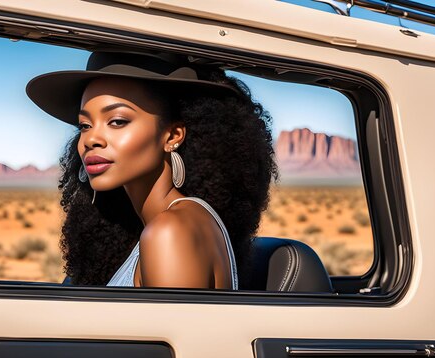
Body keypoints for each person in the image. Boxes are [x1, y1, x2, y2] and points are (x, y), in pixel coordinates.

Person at [26, 51, 277, 289]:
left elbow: (178, 336)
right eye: (84, 125)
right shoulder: (169, 224)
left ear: (172, 136)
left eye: (117, 121)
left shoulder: (170, 232)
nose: (91, 139)